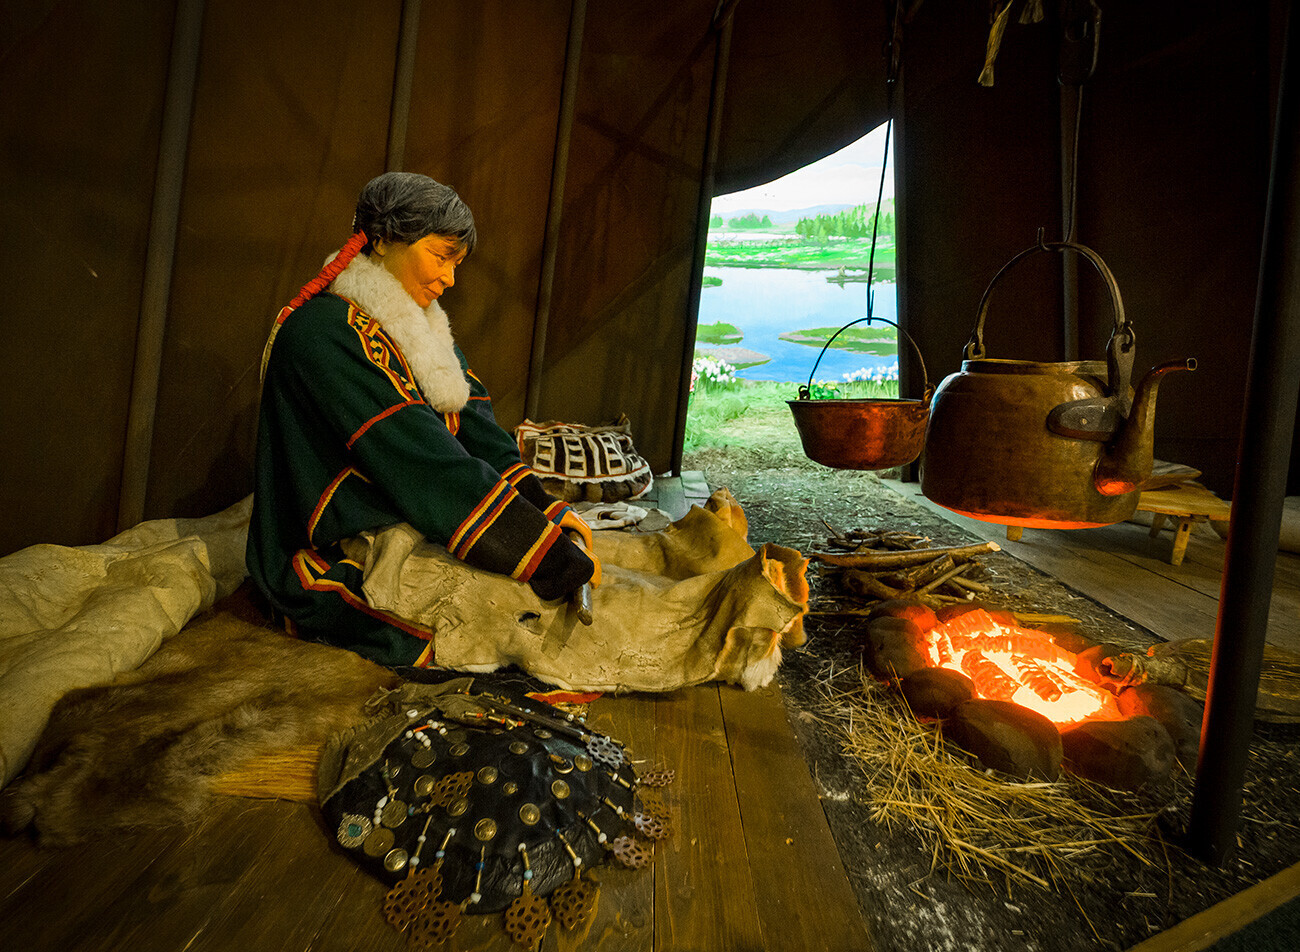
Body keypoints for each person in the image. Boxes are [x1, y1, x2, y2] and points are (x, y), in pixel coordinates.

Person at [247, 172, 599, 666]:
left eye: (458, 263)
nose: (450, 280)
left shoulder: (419, 325)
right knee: (496, 627)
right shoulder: (324, 334)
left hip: (418, 512)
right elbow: (424, 462)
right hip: (336, 546)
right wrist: (547, 557)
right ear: (385, 240)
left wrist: (547, 513)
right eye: (441, 256)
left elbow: (478, 431)